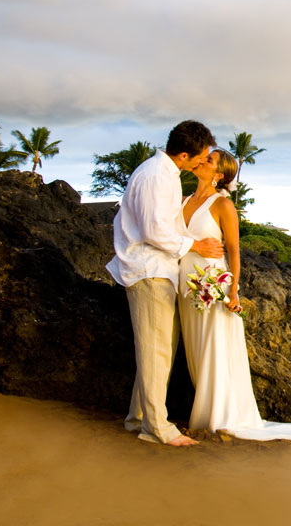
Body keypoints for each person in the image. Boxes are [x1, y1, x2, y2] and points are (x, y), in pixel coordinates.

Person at [178, 149, 291, 441]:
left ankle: (220, 416)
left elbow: (234, 251)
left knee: (213, 349)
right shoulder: (182, 202)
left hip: (214, 287)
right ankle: (206, 410)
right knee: (195, 351)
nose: (201, 160)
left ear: (219, 175)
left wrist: (233, 290)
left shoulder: (222, 205)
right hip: (187, 288)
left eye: (209, 160)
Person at [106, 120, 223, 446]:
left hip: (159, 270)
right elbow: (154, 231)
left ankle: (138, 418)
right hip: (148, 270)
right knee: (156, 350)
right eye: (200, 156)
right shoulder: (156, 176)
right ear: (184, 154)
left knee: (159, 349)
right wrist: (197, 247)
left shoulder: (165, 174)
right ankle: (156, 427)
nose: (203, 161)